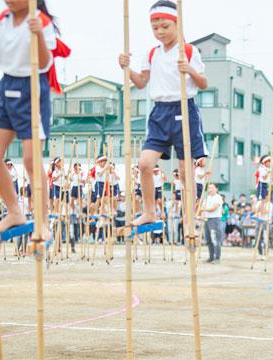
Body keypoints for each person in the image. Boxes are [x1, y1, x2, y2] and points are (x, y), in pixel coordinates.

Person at [0, 0, 68, 238]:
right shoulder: (3, 18)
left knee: (31, 159)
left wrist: (38, 34)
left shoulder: (41, 21)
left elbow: (44, 62)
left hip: (32, 88)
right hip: (8, 88)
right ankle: (14, 211)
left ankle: (42, 222)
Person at [118, 0, 208, 226]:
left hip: (184, 109)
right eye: (155, 27)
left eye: (165, 26)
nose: (160, 32)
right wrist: (127, 69)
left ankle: (189, 216)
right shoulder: (151, 54)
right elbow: (141, 83)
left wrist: (190, 71)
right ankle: (149, 211)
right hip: (159, 112)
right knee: (145, 164)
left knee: (185, 172)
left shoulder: (188, 50)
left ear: (177, 24)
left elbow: (204, 83)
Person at [201, 184, 223, 264]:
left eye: (212, 187)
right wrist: (202, 214)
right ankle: (211, 257)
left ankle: (217, 258)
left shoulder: (218, 197)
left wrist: (204, 209)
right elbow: (202, 210)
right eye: (209, 188)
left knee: (215, 240)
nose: (210, 189)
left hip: (215, 220)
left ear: (216, 189)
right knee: (208, 239)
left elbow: (213, 208)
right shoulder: (207, 198)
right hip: (207, 220)